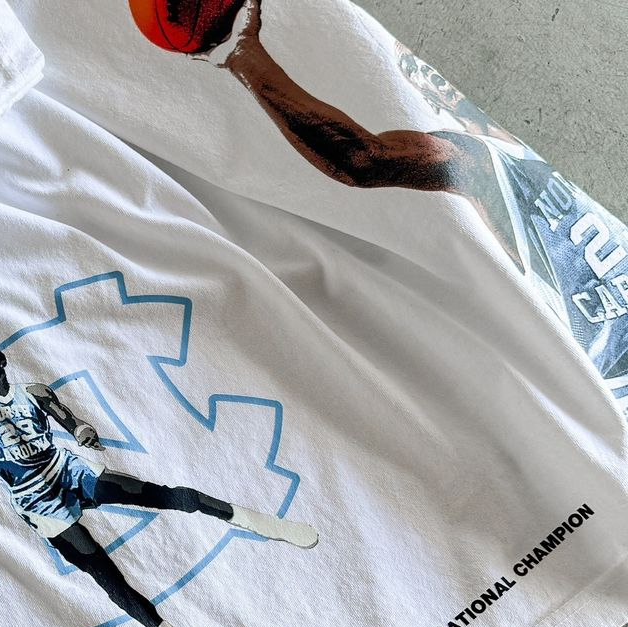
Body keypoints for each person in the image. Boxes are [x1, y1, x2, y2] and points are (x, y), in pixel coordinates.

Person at [192, 0, 628, 405]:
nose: (437, 81)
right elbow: (361, 159)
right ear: (425, 92)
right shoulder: (480, 162)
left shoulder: (521, 153)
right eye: (422, 74)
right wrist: (245, 56)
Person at [0, 299, 319, 627]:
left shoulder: (33, 392)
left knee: (161, 496)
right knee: (108, 578)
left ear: (1, 364)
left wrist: (82, 432)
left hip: (69, 471)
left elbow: (71, 421)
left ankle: (257, 521)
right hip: (37, 502)